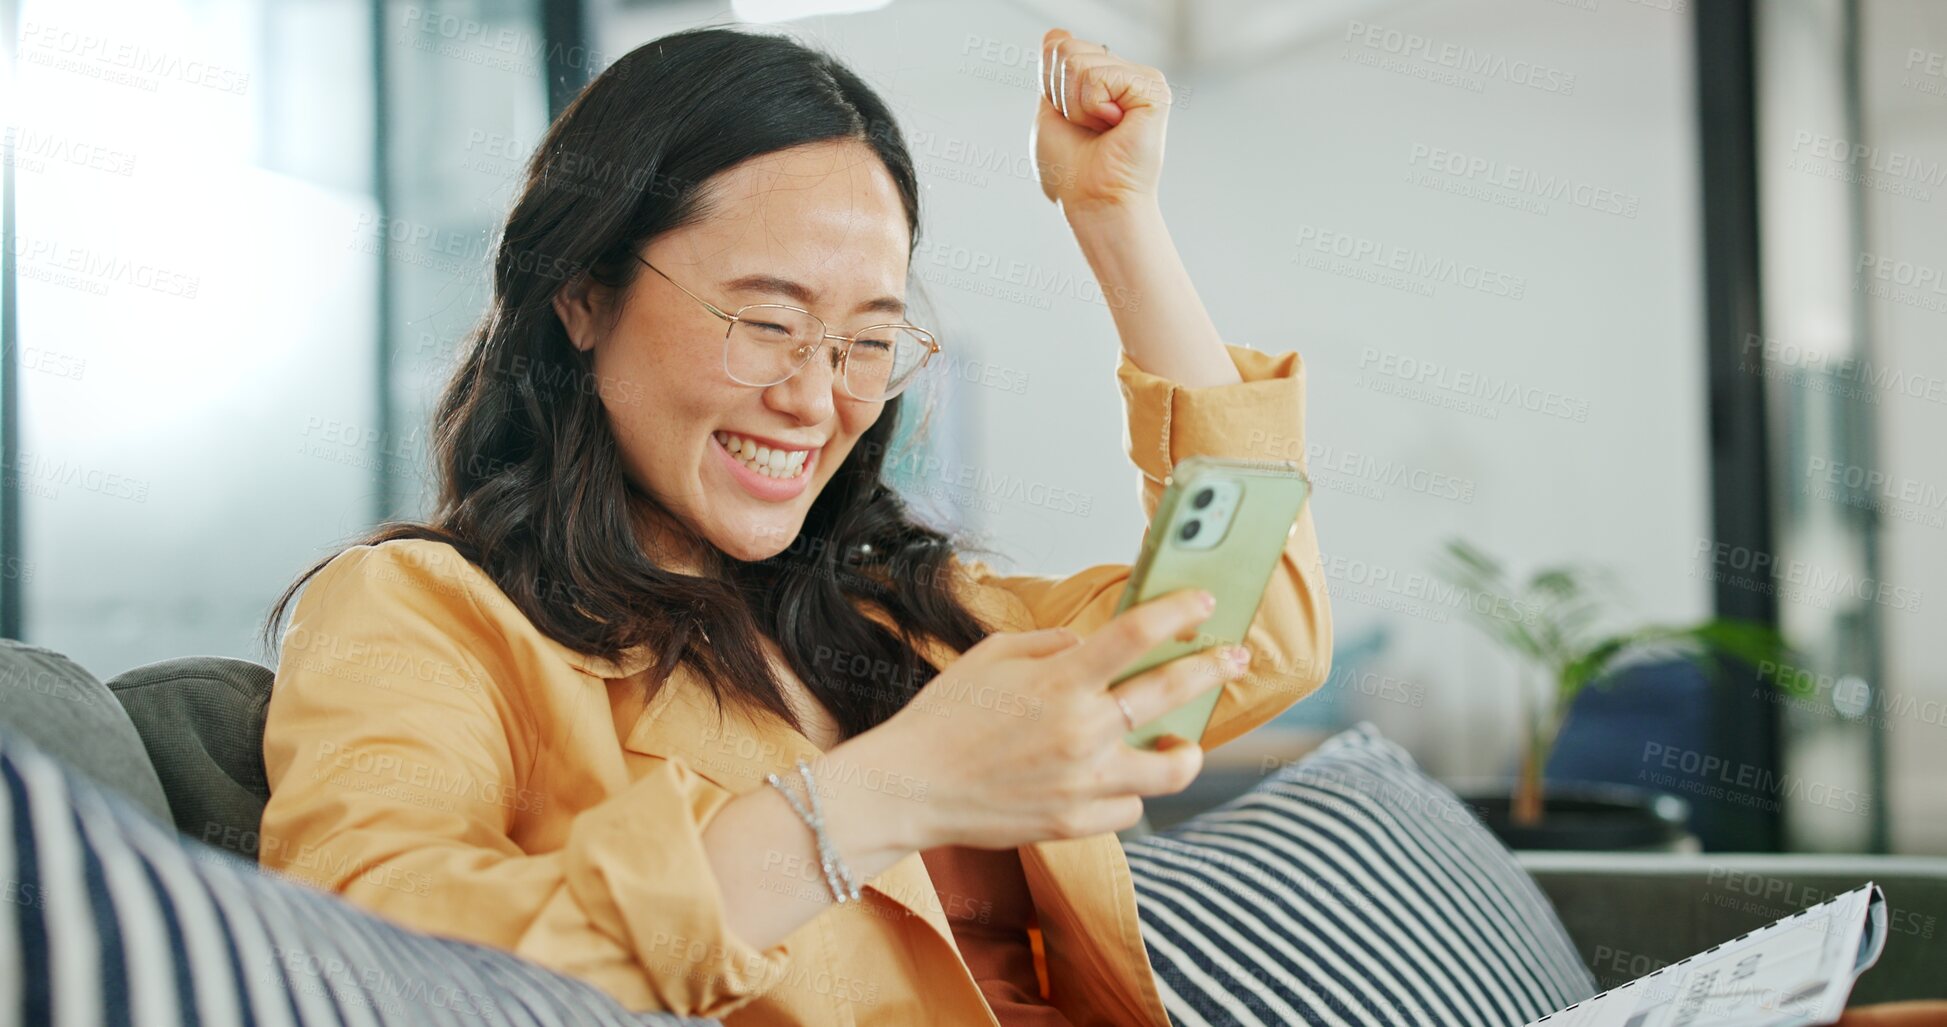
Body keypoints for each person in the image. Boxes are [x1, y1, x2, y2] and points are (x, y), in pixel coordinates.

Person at [256, 24, 1331, 1027]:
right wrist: (871, 798)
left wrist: (1115, 216)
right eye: (769, 323)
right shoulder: (426, 616)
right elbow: (374, 979)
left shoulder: (893, 609)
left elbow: (1252, 634)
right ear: (583, 297)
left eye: (866, 341)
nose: (816, 399)